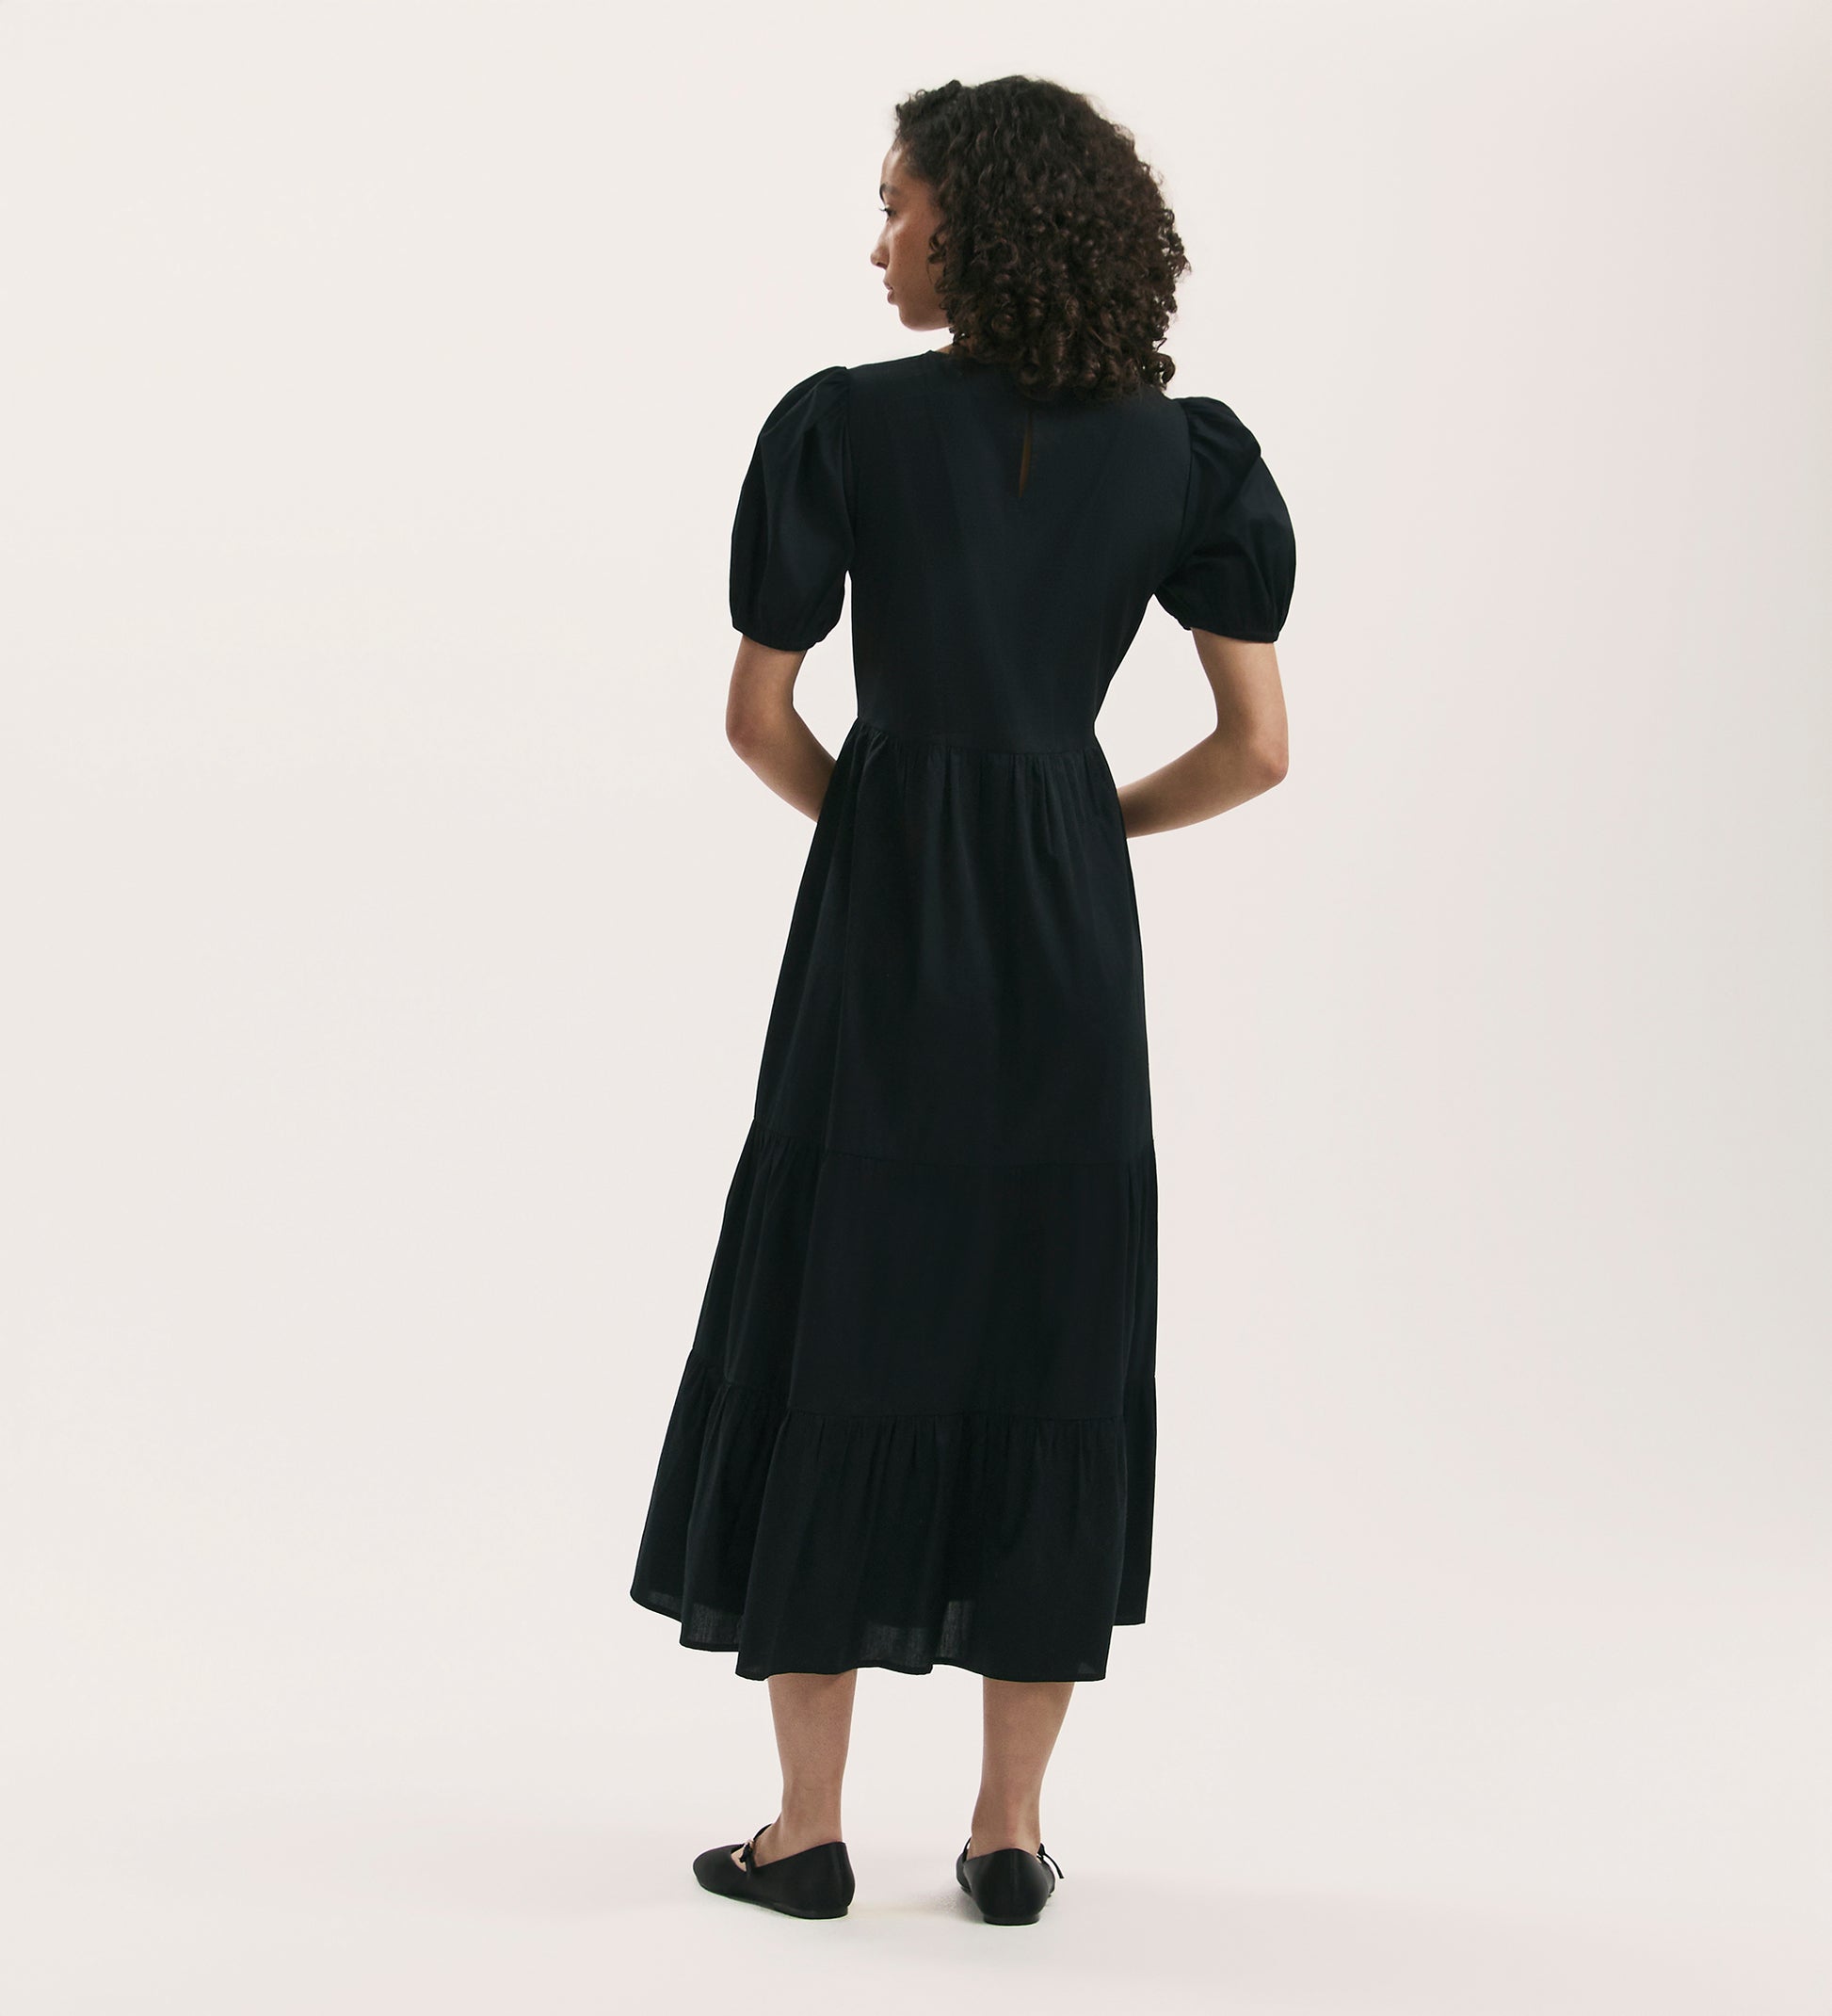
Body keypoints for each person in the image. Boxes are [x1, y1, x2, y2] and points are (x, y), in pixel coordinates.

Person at [629, 73, 1295, 1927]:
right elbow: (1256, 753)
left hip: (879, 936)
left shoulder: (840, 429)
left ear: (971, 222)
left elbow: (761, 718)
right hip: (1073, 944)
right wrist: (1077, 832)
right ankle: (1004, 1835)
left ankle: (804, 1831)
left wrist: (891, 842)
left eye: (897, 204)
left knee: (834, 1304)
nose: (878, 239)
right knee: (1047, 1331)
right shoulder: (1191, 460)